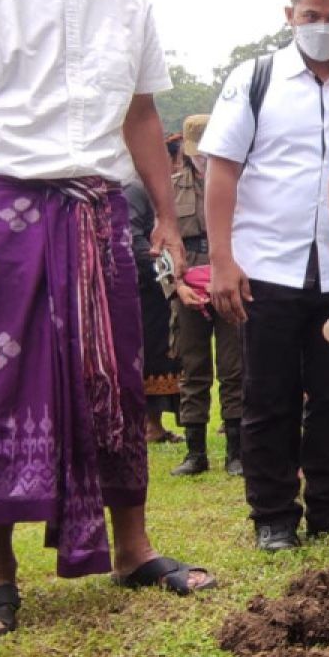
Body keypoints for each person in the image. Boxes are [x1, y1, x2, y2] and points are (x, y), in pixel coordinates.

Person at [0, 0, 216, 639]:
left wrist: (161, 213)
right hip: (2, 212)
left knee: (114, 378)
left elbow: (142, 114)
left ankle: (133, 547)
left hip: (98, 215)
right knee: (3, 385)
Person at [201, 0, 329, 552]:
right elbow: (222, 173)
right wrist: (223, 260)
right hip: (269, 269)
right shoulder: (254, 80)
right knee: (270, 396)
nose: (322, 27)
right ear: (290, 16)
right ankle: (274, 516)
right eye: (311, 16)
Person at [168, 115, 244, 477]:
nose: (201, 159)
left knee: (234, 368)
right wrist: (176, 286)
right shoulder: (170, 188)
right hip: (188, 283)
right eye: (195, 153)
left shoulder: (237, 183)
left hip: (228, 277)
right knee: (193, 368)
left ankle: (236, 453)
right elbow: (160, 248)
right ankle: (195, 452)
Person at [124, 135, 184, 445]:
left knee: (165, 354)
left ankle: (155, 424)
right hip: (146, 290)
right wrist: (163, 273)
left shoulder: (154, 192)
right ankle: (148, 425)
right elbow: (134, 240)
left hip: (159, 288)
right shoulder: (135, 190)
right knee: (151, 356)